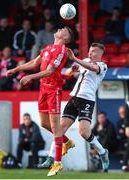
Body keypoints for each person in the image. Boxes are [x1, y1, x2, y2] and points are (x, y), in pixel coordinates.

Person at [6, 27, 73, 176]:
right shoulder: (48, 47)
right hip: (43, 88)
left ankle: (57, 163)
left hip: (53, 90)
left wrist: (30, 77)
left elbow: (49, 71)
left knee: (55, 126)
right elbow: (35, 63)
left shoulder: (62, 50)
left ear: (66, 38)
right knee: (44, 124)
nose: (61, 28)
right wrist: (17, 69)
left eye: (65, 30)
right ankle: (67, 141)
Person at [39, 43, 110, 173]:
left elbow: (92, 68)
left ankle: (102, 152)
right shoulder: (85, 61)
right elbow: (69, 72)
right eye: (89, 50)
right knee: (59, 129)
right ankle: (51, 157)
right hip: (74, 98)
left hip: (87, 100)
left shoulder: (103, 66)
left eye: (93, 51)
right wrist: (72, 70)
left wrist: (75, 59)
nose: (90, 53)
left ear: (100, 53)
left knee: (83, 132)